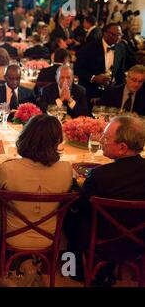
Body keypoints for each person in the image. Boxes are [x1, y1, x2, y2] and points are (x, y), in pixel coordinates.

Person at [64, 116, 145, 286]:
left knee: (68, 216)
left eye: (106, 138)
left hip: (103, 240)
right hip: (139, 241)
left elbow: (79, 205)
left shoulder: (101, 175)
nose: (101, 140)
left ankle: (71, 268)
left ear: (123, 148)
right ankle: (108, 270)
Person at [0, 114, 73, 250]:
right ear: (57, 141)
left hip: (12, 235)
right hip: (49, 236)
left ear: (25, 136)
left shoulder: (8, 168)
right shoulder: (66, 169)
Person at [74, 23, 126, 103]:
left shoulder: (120, 48)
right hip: (89, 92)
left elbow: (120, 72)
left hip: (109, 94)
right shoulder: (89, 47)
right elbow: (77, 69)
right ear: (105, 33)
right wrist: (94, 78)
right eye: (114, 34)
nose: (118, 37)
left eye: (120, 35)